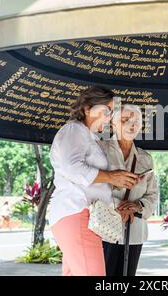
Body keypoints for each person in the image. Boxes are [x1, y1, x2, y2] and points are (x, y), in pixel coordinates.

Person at [49, 86, 141, 276]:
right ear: (87, 108)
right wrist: (110, 176)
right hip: (77, 213)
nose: (109, 117)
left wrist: (114, 181)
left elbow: (87, 175)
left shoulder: (89, 136)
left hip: (80, 217)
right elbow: (71, 167)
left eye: (111, 112)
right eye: (106, 110)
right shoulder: (74, 129)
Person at [101, 104, 158, 276]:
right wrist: (119, 207)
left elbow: (152, 194)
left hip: (133, 232)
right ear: (113, 124)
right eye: (125, 120)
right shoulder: (99, 150)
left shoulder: (145, 159)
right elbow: (90, 186)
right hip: (103, 229)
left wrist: (137, 206)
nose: (131, 125)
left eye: (136, 121)